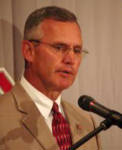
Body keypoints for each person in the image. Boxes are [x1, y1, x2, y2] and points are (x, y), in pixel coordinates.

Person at [0, 6, 101, 150]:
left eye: (77, 51)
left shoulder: (87, 122)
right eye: (59, 47)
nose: (71, 59)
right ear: (29, 51)